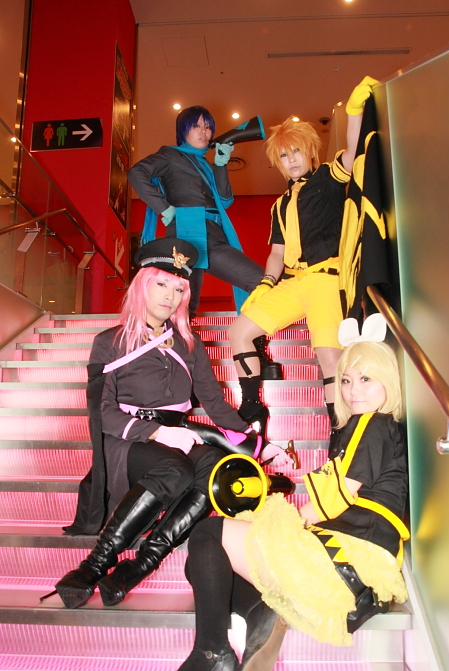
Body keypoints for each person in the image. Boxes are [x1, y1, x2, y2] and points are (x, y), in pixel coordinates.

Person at [145, 313, 409, 671]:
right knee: (206, 561)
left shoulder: (372, 424)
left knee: (207, 533)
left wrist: (290, 521)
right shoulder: (377, 427)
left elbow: (338, 497)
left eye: (366, 379)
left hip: (346, 560)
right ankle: (257, 615)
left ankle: (212, 653)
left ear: (388, 381)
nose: (354, 391)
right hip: (357, 566)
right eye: (346, 380)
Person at [52, 238, 289, 611]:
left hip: (175, 439)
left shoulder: (189, 345)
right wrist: (158, 432)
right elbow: (103, 413)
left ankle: (140, 565)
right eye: (161, 284)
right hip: (128, 441)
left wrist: (260, 445)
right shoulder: (109, 342)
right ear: (142, 285)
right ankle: (94, 564)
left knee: (215, 468)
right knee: (176, 468)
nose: (170, 295)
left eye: (179, 288)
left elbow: (215, 404)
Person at [228, 77, 378, 432]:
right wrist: (266, 283)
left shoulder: (327, 179)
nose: (291, 159)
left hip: (326, 280)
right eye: (283, 155)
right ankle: (252, 406)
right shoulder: (279, 205)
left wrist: (354, 112)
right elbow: (277, 253)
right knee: (239, 331)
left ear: (309, 151)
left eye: (296, 151)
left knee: (329, 357)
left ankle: (340, 430)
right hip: (294, 282)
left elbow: (352, 152)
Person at [128, 104, 282, 379]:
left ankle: (256, 349)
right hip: (184, 233)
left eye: (208, 126)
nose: (204, 131)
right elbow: (136, 173)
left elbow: (225, 200)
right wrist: (165, 208)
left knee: (261, 282)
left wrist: (221, 166)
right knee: (184, 303)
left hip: (212, 235)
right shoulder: (170, 155)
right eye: (197, 126)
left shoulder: (206, 164)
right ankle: (178, 367)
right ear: (183, 131)